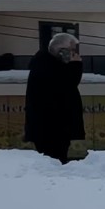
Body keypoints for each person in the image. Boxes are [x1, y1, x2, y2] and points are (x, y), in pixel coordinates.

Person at [23, 32, 85, 163]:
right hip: (51, 128)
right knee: (53, 160)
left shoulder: (48, 64)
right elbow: (68, 85)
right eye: (71, 50)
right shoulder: (46, 67)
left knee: (56, 159)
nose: (74, 54)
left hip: (54, 127)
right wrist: (75, 65)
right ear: (61, 51)